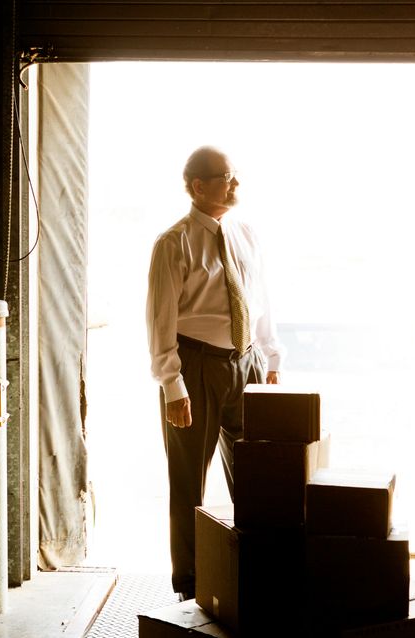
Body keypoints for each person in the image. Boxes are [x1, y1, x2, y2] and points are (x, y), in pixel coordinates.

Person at [146, 145, 285, 600]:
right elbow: (160, 319)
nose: (236, 183)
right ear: (198, 186)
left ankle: (251, 575)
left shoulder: (245, 233)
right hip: (196, 367)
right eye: (227, 177)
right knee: (189, 480)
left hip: (246, 363)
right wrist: (173, 385)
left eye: (235, 174)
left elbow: (258, 299)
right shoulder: (174, 243)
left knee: (255, 476)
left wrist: (270, 357)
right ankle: (189, 586)